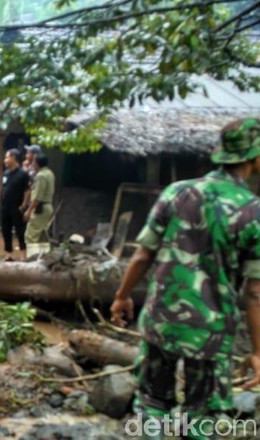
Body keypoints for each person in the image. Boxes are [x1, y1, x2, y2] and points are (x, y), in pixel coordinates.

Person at [110, 118, 260, 437]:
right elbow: (255, 293)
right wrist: (258, 351)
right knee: (202, 414)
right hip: (211, 332)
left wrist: (122, 296)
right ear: (255, 158)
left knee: (151, 402)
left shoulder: (177, 192)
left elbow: (142, 254)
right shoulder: (253, 212)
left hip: (161, 321)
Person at [0, 149, 30, 260]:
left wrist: (23, 206)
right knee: (5, 230)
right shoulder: (6, 173)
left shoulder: (23, 174)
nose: (5, 160)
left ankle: (23, 255)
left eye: (7, 157)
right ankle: (8, 254)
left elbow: (27, 191)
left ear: (13, 158)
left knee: (20, 231)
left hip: (17, 206)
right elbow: (4, 188)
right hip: (5, 206)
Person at [23, 154, 55, 246]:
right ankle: (42, 257)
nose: (32, 164)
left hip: (40, 208)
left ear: (37, 163)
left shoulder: (41, 176)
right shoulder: (49, 173)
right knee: (42, 235)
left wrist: (28, 211)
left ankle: (32, 257)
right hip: (47, 206)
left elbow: (38, 197)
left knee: (31, 235)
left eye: (33, 162)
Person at [21, 144, 42, 213]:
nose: (26, 155)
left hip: (32, 202)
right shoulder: (29, 167)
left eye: (28, 153)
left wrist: (24, 169)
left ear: (34, 155)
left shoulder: (36, 169)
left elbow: (28, 184)